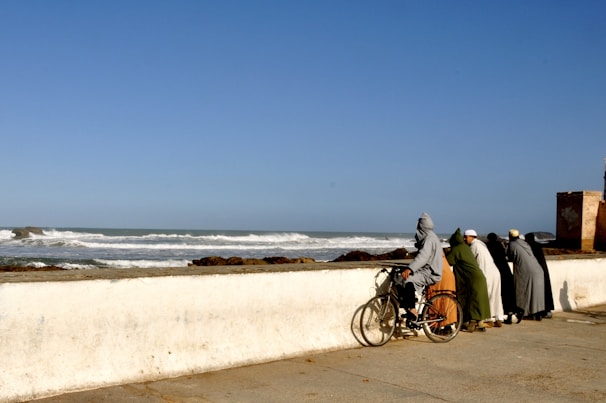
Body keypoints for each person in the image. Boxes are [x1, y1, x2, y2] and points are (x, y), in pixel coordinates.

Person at [397, 213, 443, 322]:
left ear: (421, 226)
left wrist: (410, 269)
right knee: (402, 279)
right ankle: (411, 300)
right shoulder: (431, 236)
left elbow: (423, 256)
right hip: (427, 270)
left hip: (431, 273)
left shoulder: (429, 239)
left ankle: (413, 309)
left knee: (408, 279)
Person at [446, 228, 491, 332]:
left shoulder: (457, 249)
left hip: (473, 279)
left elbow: (449, 261)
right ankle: (480, 324)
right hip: (479, 277)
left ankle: (471, 325)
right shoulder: (466, 248)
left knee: (472, 301)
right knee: (479, 301)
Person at [464, 229, 505, 327]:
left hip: (487, 273)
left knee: (487, 296)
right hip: (495, 272)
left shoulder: (474, 246)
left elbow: (470, 261)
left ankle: (488, 319)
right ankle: (498, 317)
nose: (464, 239)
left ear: (471, 237)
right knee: (496, 296)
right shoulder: (482, 244)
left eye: (465, 237)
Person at [507, 229, 545, 320]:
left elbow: (510, 256)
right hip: (537, 269)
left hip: (526, 271)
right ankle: (537, 313)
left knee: (524, 291)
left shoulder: (512, 244)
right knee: (537, 294)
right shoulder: (524, 243)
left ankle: (525, 312)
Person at [486, 233, 522, 324]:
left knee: (503, 295)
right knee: (510, 294)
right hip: (506, 270)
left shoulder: (489, 246)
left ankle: (510, 314)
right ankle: (515, 311)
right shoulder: (499, 245)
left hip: (499, 271)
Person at [525, 232, 555, 318]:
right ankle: (547, 310)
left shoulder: (530, 246)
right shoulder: (538, 245)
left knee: (538, 291)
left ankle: (539, 311)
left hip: (537, 269)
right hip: (543, 268)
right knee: (546, 289)